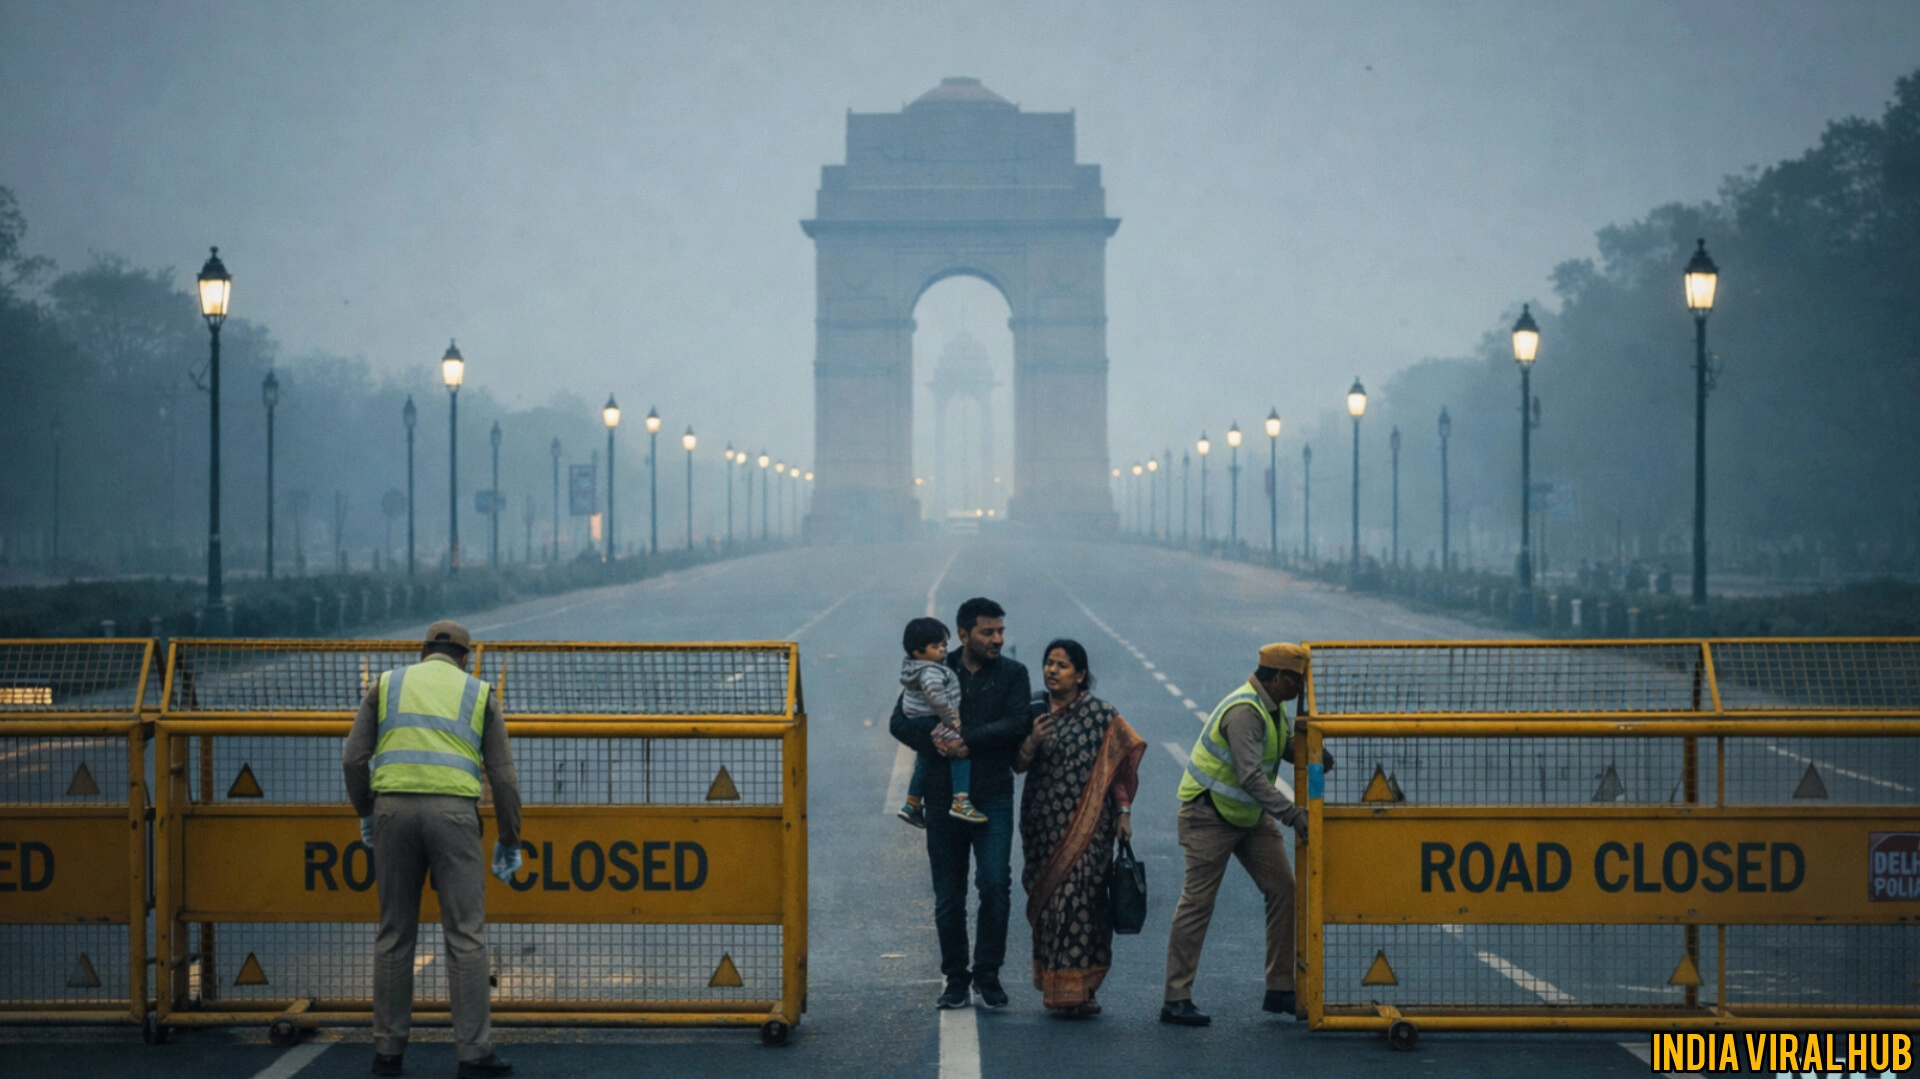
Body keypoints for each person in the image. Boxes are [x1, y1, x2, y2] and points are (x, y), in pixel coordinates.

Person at [343, 621, 523, 1078]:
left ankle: (387, 1052)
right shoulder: (479, 693)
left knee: (395, 932)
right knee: (465, 934)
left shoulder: (387, 684)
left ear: (424, 651)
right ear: (466, 655)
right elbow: (502, 776)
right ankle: (474, 1054)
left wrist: (368, 810)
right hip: (454, 817)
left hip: (392, 814)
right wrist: (509, 838)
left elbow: (353, 758)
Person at [1161, 642, 1318, 1028]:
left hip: (1248, 815)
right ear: (1280, 678)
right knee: (1197, 903)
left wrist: (1312, 754)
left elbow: (1279, 748)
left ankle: (1280, 988)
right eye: (1297, 682)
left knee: (1283, 888)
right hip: (1208, 814)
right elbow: (1250, 775)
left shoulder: (1273, 709)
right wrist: (1292, 814)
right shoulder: (1246, 711)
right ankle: (1175, 997)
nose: (1300, 690)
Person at [890, 596, 1032, 1010]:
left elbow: (1017, 723)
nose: (998, 639)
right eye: (988, 632)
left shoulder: (1012, 674)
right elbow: (898, 722)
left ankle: (987, 974)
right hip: (939, 796)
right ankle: (955, 977)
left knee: (994, 885)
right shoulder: (934, 667)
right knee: (949, 896)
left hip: (993, 795)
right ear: (964, 634)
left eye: (1001, 631)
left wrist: (966, 738)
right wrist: (933, 738)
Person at [1013, 639, 1145, 1017]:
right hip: (1041, 826)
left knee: (1082, 899)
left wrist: (1123, 813)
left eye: (1062, 665)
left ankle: (1079, 989)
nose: (1052, 671)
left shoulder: (1101, 714)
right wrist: (1032, 740)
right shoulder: (1033, 712)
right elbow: (1018, 765)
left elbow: (1118, 768)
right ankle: (1058, 984)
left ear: (1081, 674)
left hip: (1091, 826)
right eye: (1049, 663)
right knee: (1051, 904)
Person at [896, 616, 984, 826]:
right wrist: (953, 722)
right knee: (959, 751)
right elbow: (939, 700)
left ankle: (912, 803)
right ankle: (961, 801)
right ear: (918, 652)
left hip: (917, 718)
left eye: (944, 644)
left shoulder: (913, 668)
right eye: (936, 646)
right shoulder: (930, 672)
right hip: (931, 719)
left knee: (924, 760)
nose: (943, 650)